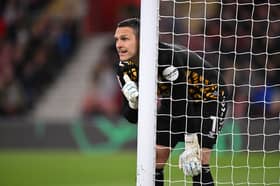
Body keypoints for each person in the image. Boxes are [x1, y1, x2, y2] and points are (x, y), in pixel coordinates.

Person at [114, 18, 228, 186]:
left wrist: (190, 144)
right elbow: (132, 117)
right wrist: (133, 104)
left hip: (210, 96)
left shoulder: (167, 58)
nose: (118, 44)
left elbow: (183, 102)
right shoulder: (124, 69)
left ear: (142, 39)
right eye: (116, 39)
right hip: (174, 99)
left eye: (125, 38)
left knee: (198, 160)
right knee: (155, 158)